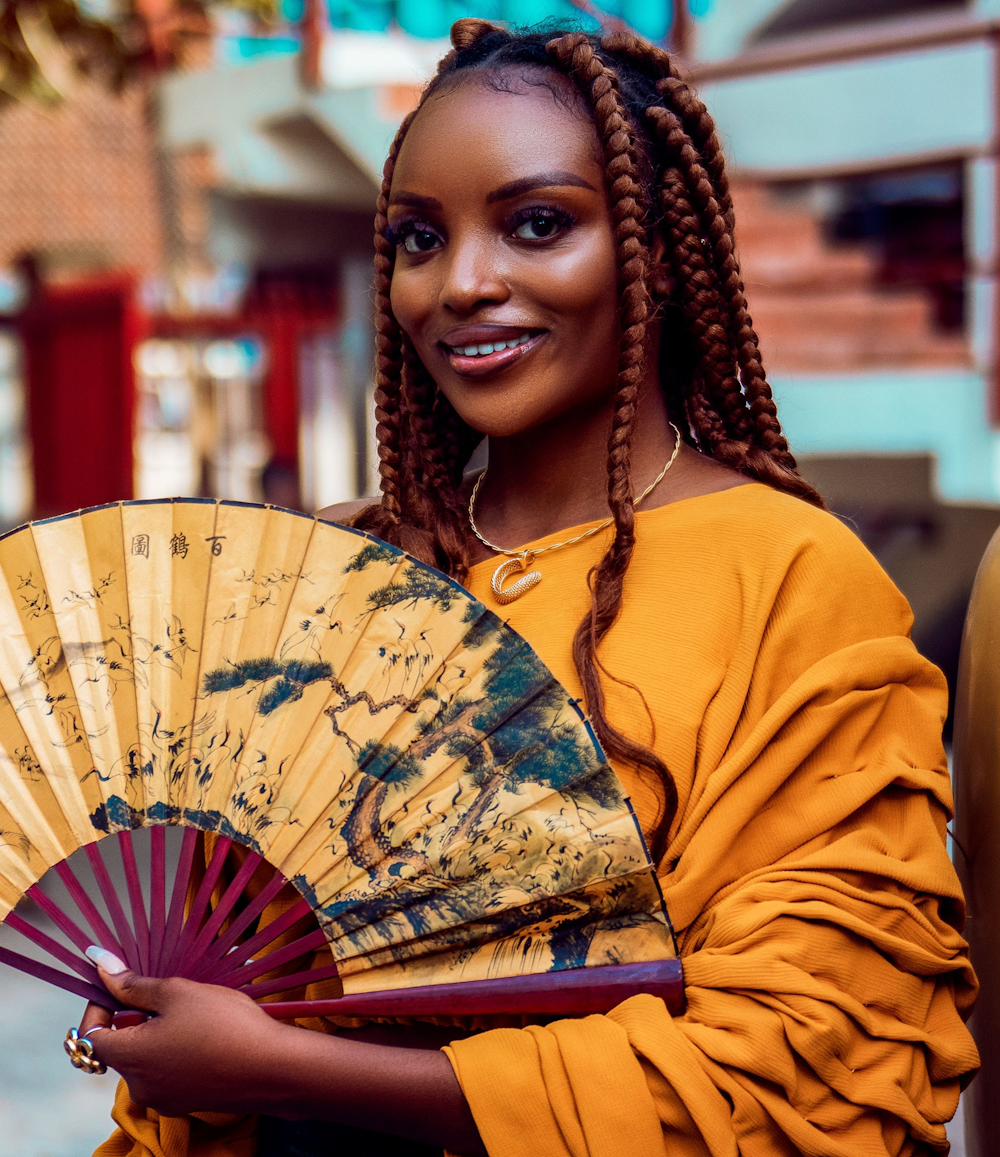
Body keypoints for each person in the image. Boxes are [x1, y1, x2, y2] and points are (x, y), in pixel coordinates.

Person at [80, 19, 978, 1157]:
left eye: (536, 224)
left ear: (650, 245)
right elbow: (218, 965)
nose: (460, 284)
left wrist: (292, 1067)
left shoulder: (788, 577)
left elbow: (810, 1061)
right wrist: (163, 1035)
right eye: (417, 237)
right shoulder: (340, 569)